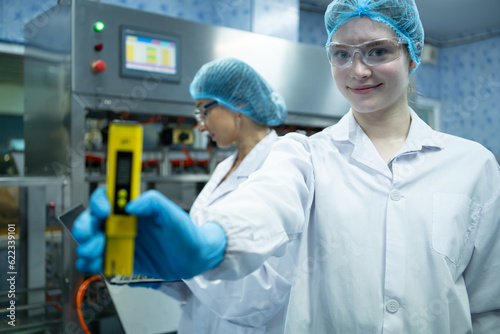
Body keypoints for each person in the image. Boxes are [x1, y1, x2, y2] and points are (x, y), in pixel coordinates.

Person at [73, 0, 500, 333]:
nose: (359, 69)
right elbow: (265, 205)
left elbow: (487, 305)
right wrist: (210, 243)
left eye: (378, 50)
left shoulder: (472, 166)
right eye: (341, 53)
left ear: (412, 54)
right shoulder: (304, 155)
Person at [74, 57, 297, 333]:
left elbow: (261, 296)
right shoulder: (225, 166)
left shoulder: (283, 164)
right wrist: (164, 273)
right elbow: (198, 279)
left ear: (238, 102)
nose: (201, 125)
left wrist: (187, 266)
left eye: (204, 111)